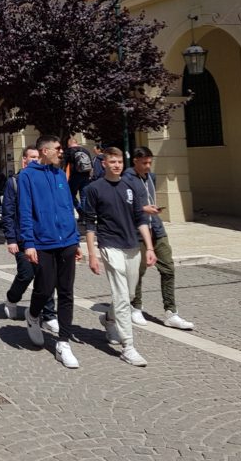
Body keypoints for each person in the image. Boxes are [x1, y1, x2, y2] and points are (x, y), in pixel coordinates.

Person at [81, 147, 157, 366]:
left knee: (129, 294)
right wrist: (92, 255)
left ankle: (108, 318)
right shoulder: (94, 188)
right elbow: (89, 224)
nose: (117, 165)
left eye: (120, 162)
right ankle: (128, 347)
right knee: (122, 297)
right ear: (104, 163)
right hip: (109, 245)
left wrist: (149, 248)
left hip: (132, 245)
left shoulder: (130, 185)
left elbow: (141, 219)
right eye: (112, 162)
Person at [18, 135, 82, 368]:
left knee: (66, 292)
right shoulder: (27, 176)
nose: (61, 151)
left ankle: (63, 343)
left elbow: (67, 206)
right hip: (42, 242)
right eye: (57, 148)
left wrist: (75, 239)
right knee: (45, 288)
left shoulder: (60, 174)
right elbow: (25, 211)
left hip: (66, 241)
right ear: (44, 151)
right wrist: (29, 243)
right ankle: (33, 315)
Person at [124, 147, 195, 331]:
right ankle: (135, 306)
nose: (148, 166)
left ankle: (171, 312)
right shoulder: (126, 179)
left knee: (168, 268)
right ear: (135, 161)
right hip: (137, 231)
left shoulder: (151, 178)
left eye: (150, 162)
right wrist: (142, 209)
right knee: (137, 271)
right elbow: (124, 206)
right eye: (144, 163)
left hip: (156, 227)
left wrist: (153, 210)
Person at [0, 146, 57, 329]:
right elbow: (8, 213)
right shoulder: (14, 182)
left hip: (43, 238)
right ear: (24, 160)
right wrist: (11, 240)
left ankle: (48, 315)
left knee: (46, 275)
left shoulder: (45, 179)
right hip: (22, 238)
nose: (35, 160)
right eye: (31, 157)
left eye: (37, 157)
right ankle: (12, 298)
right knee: (26, 274)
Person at [64, 137, 95, 207]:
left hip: (75, 176)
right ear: (76, 142)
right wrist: (90, 176)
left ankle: (79, 210)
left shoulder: (69, 151)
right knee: (84, 197)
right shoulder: (85, 150)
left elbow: (64, 165)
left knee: (70, 195)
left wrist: (63, 176)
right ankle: (84, 216)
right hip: (86, 176)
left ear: (69, 144)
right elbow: (91, 165)